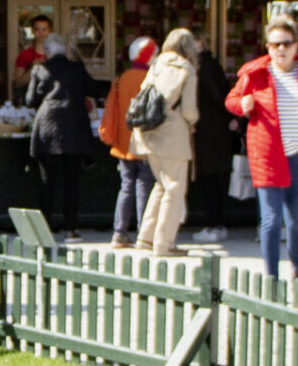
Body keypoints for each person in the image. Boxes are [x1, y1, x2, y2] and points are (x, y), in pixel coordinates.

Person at [226, 15, 298, 279]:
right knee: (270, 220)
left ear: (296, 45)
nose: (281, 49)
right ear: (267, 47)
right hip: (267, 154)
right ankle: (271, 276)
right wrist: (243, 105)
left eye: (286, 43)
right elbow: (231, 100)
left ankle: (297, 269)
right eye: (275, 44)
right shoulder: (254, 73)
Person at [130, 29, 201, 255]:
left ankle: (145, 238)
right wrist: (194, 119)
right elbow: (189, 110)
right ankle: (163, 243)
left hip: (148, 133)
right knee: (174, 189)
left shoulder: (156, 65)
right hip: (172, 136)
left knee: (160, 185)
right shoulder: (187, 69)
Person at [23, 36, 102, 237]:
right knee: (71, 182)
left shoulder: (39, 69)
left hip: (48, 127)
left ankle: (43, 230)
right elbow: (94, 89)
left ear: (47, 52)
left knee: (46, 182)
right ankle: (70, 229)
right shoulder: (76, 69)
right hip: (74, 128)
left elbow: (30, 100)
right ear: (65, 51)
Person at [100, 36, 157, 249]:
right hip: (145, 141)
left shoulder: (122, 78)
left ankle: (119, 232)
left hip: (123, 142)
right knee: (144, 186)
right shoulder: (152, 79)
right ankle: (144, 233)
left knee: (126, 186)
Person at [188, 43, 235, 244]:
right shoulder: (214, 63)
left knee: (209, 179)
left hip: (207, 132)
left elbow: (214, 95)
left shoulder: (202, 67)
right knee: (218, 179)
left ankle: (212, 225)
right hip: (220, 131)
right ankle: (219, 224)